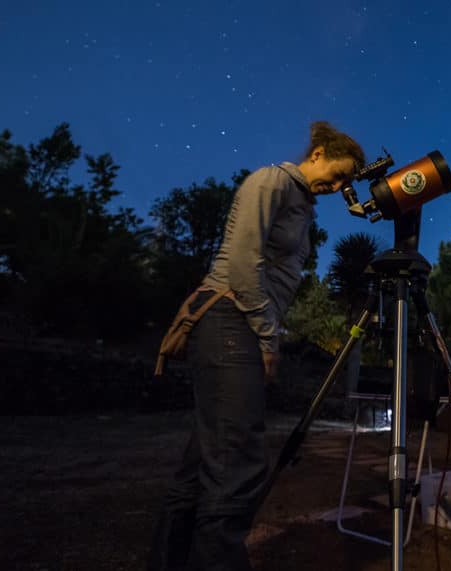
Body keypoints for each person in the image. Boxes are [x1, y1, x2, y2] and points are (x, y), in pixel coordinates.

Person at [149, 122, 365, 571]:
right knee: (236, 468)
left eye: (347, 182)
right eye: (339, 174)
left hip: (240, 324)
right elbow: (245, 264)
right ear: (319, 153)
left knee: (205, 462)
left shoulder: (304, 204)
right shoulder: (272, 181)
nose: (339, 187)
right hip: (233, 321)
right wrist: (269, 338)